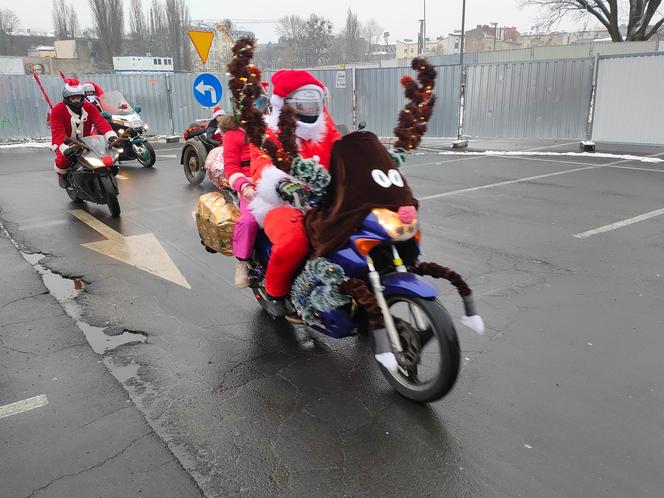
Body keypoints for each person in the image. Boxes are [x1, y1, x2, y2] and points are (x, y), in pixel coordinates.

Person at [249, 70, 341, 316]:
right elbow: (260, 165)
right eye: (302, 103)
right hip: (281, 202)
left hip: (325, 197)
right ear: (285, 105)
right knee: (294, 241)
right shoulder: (267, 132)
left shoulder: (325, 127)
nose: (309, 109)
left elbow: (344, 150)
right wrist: (281, 184)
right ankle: (275, 292)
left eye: (314, 103)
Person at [51, 78, 117, 188]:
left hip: (86, 140)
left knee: (103, 152)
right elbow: (57, 132)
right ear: (67, 98)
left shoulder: (89, 107)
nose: (76, 100)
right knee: (63, 160)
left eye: (78, 97)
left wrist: (111, 136)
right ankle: (62, 175)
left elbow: (100, 121)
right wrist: (64, 148)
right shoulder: (57, 110)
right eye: (73, 98)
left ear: (82, 97)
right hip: (64, 141)